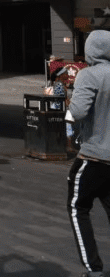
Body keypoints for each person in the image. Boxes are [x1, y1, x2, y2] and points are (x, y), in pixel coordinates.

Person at [66, 29, 110, 276]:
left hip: (93, 156)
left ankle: (94, 268)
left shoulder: (88, 75)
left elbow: (79, 111)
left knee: (77, 208)